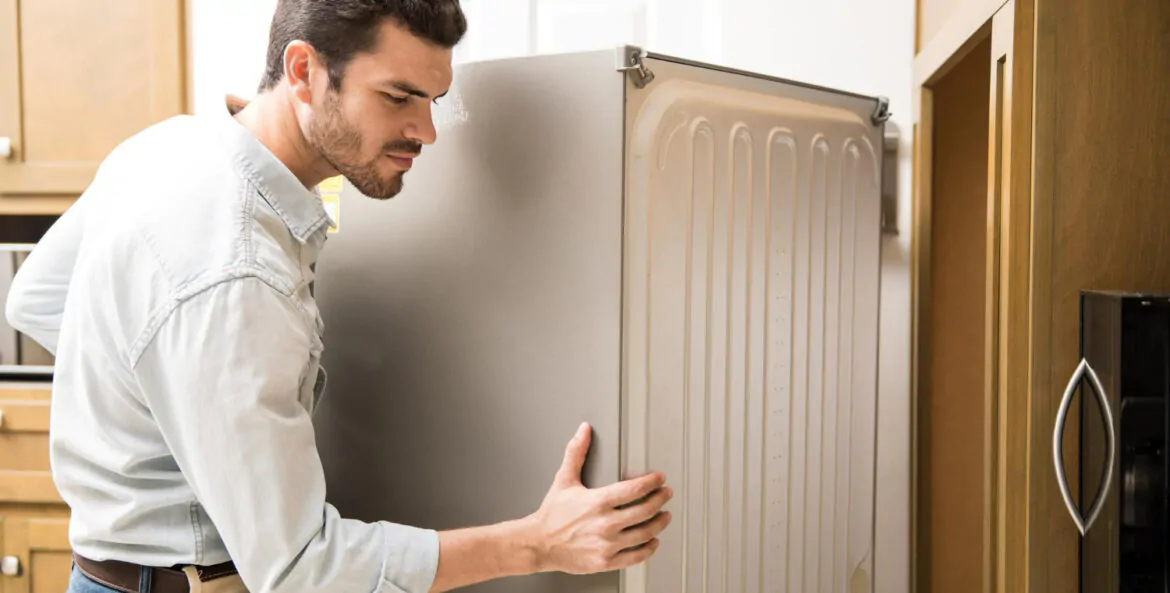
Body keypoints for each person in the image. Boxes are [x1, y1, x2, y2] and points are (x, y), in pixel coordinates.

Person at [5, 2, 672, 592]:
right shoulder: (239, 271)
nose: (427, 131)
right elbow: (300, 568)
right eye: (397, 96)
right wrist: (539, 541)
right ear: (304, 71)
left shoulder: (168, 144)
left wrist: (180, 400)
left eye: (433, 99)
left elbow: (33, 299)